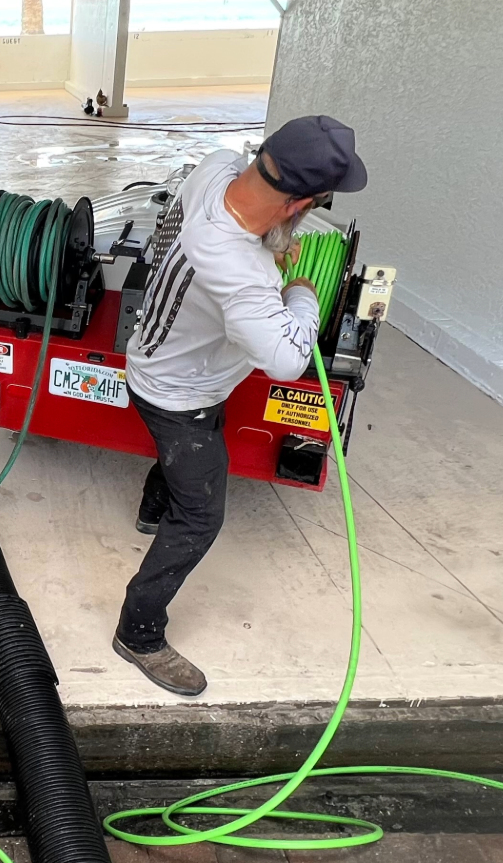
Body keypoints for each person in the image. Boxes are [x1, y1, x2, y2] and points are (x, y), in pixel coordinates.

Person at [114, 115, 368, 696]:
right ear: (298, 204)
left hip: (155, 358)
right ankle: (139, 632)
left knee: (189, 456)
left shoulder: (215, 169)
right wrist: (300, 295)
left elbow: (224, 177)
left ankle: (154, 509)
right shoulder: (244, 272)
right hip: (179, 394)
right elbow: (285, 358)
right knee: (202, 514)